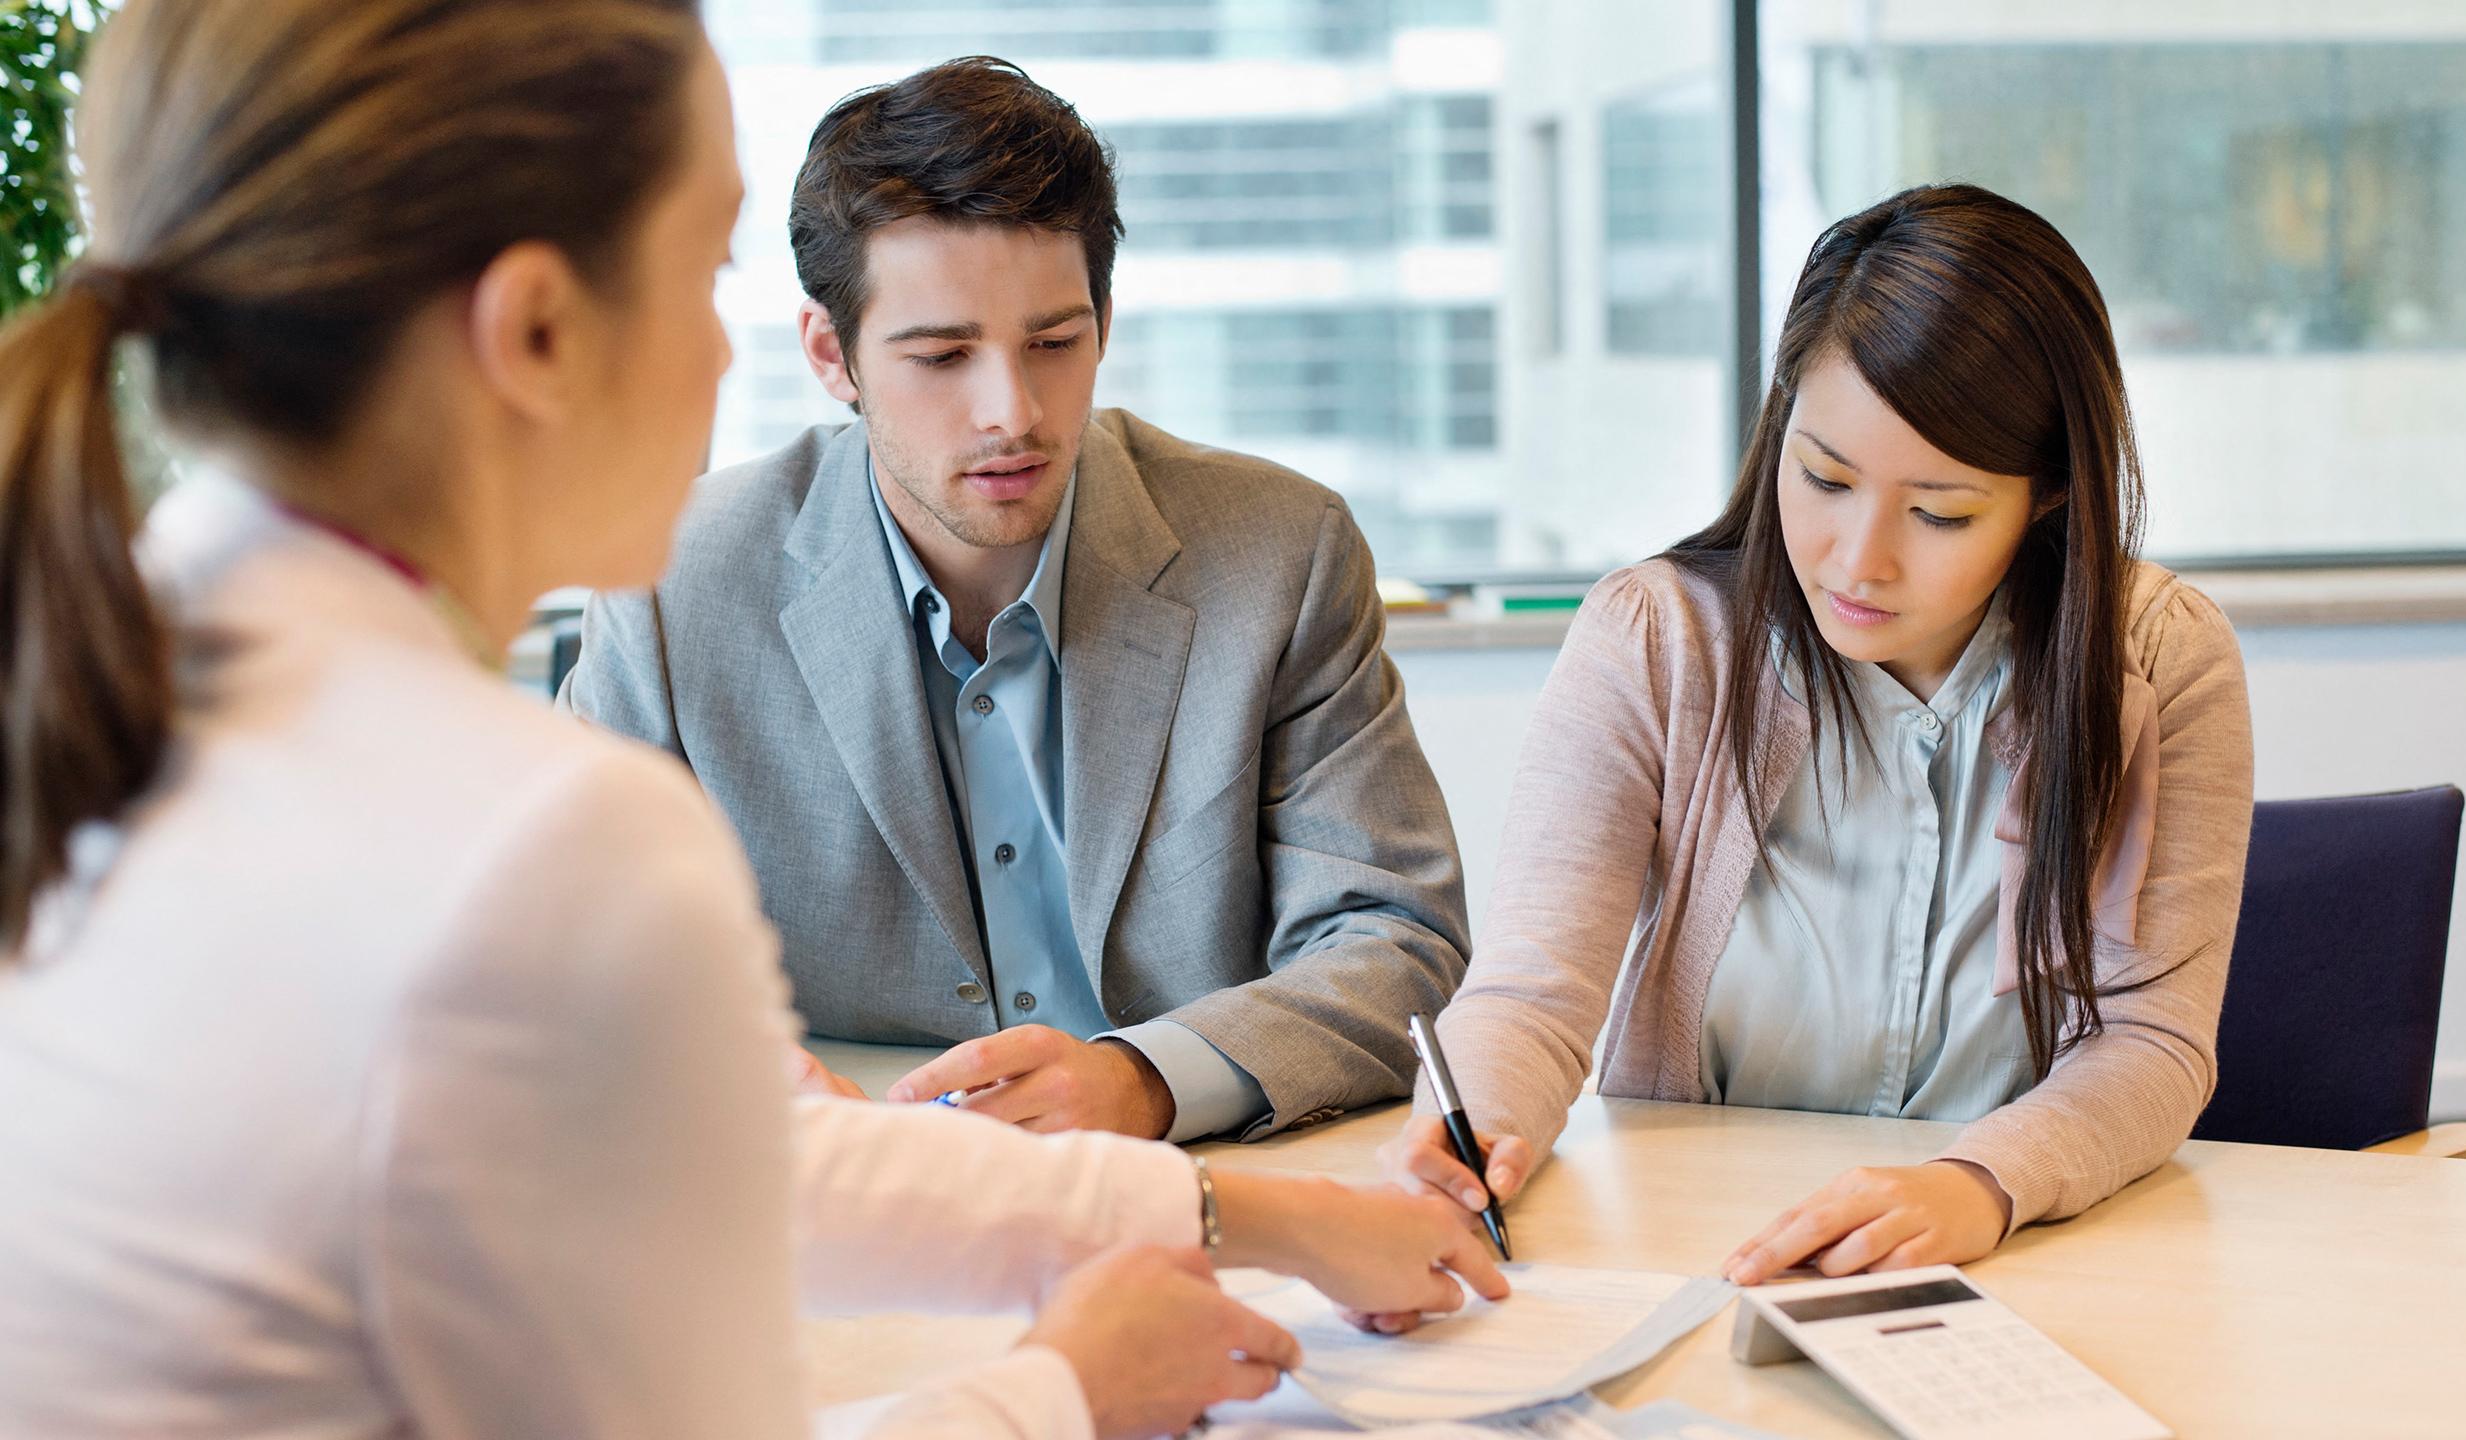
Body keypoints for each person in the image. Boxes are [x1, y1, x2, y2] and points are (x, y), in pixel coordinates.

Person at [0, 5, 1503, 1437]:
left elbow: (712, 1166)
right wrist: (1065, 1388)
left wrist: (1256, 1215)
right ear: (534, 332)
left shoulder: (138, 678)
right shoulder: (539, 836)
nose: (728, 360)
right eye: (699, 268)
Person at [562, 56, 1471, 1145]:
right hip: (852, 1190)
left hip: (1195, 1181)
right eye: (941, 355)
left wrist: (1147, 1080)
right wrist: (766, 1085)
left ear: (1105, 322)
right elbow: (573, 948)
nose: (1014, 413)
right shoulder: (674, 582)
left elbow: (1391, 938)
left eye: (1054, 343)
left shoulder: (1280, 552)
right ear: (829, 354)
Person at [1375, 184, 2254, 1288]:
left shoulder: (2159, 658)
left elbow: (2152, 1043)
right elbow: (1531, 997)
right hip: (1699, 1242)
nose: (1856, 558)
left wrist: (1979, 1184)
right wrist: (1463, 1145)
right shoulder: (1655, 640)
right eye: (1824, 478)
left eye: (1938, 511)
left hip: (2016, 1247)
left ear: (2050, 497)